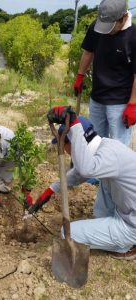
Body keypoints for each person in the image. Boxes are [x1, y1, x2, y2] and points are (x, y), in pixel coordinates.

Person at [29, 106, 136, 259]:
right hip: (129, 210)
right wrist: (50, 190)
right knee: (102, 200)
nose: (64, 150)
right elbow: (78, 174)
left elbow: (84, 170)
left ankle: (125, 246)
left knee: (68, 232)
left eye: (63, 145)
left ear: (72, 142)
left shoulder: (108, 155)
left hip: (132, 223)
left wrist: (74, 125)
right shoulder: (107, 148)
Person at [73, 0, 136, 146]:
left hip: (120, 102)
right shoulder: (96, 26)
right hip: (97, 97)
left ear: (123, 18)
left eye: (110, 26)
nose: (106, 30)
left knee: (117, 146)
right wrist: (80, 76)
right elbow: (88, 52)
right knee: (95, 142)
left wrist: (133, 105)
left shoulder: (133, 36)